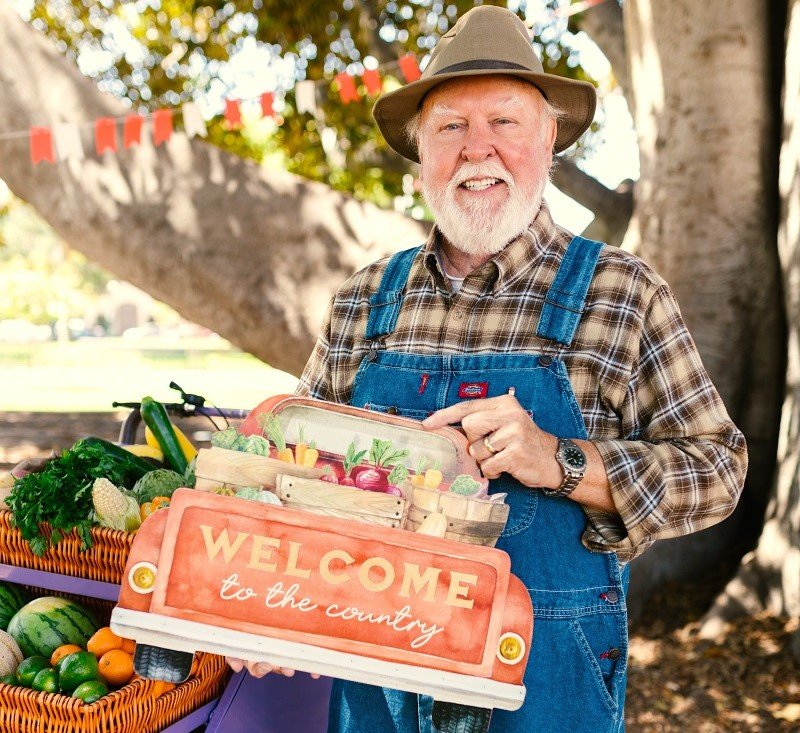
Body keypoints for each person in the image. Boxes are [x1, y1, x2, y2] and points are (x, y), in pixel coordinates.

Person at [231, 6, 747, 732]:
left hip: (546, 681)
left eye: (504, 122)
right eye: (451, 128)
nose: (479, 150)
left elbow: (718, 469)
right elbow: (295, 474)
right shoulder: (364, 300)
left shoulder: (623, 293)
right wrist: (263, 605)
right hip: (376, 679)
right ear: (421, 152)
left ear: (547, 142)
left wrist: (561, 460)